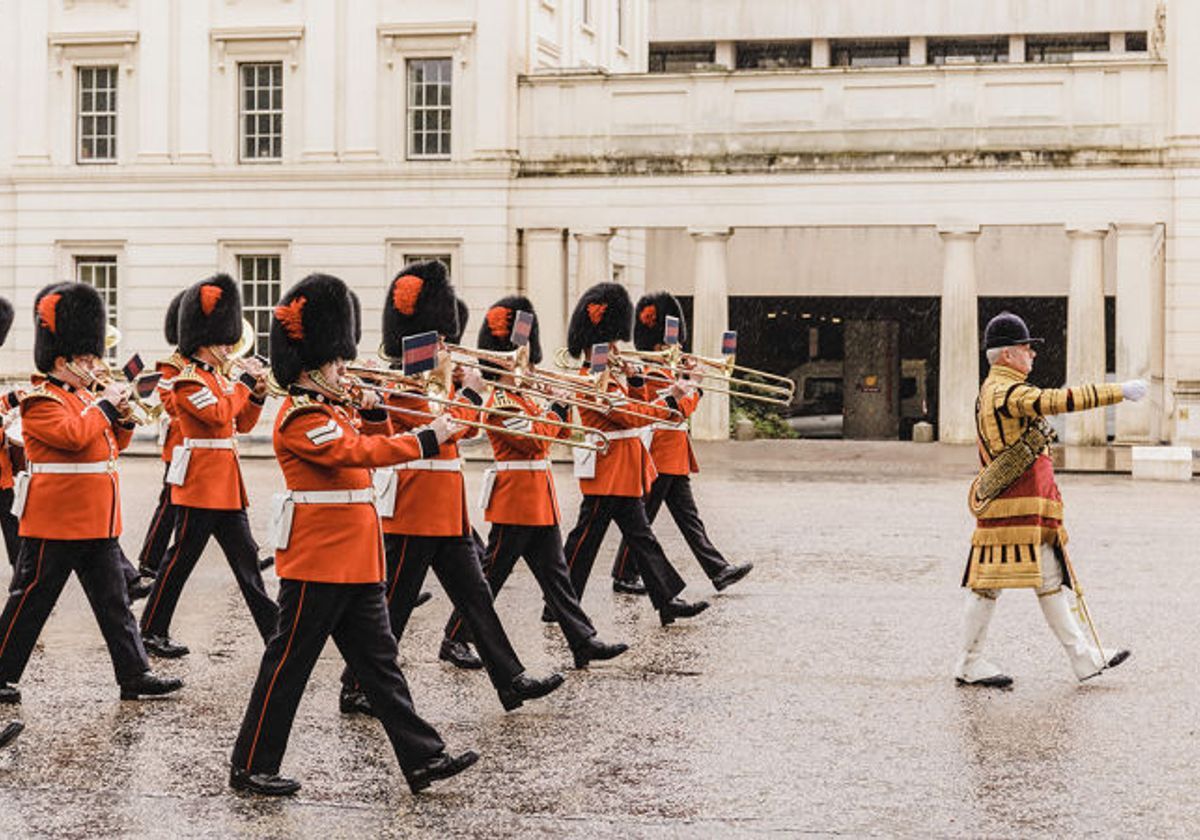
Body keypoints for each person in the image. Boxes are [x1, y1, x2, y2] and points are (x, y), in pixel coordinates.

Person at [230, 272, 476, 797]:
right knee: (288, 667)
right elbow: (358, 455)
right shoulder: (301, 417)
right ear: (312, 366)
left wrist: (378, 411)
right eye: (336, 362)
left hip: (356, 561)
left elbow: (372, 436)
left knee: (381, 667)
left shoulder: (334, 411)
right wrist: (427, 438)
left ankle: (422, 758)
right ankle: (251, 763)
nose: (345, 369)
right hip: (319, 562)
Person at [340, 261, 563, 714]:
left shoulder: (436, 381)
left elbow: (462, 429)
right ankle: (356, 686)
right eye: (439, 336)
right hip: (415, 508)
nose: (445, 344)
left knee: (477, 597)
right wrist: (471, 396)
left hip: (446, 511)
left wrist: (466, 390)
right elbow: (439, 428)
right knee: (393, 607)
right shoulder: (400, 383)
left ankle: (510, 679)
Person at [0, 283, 182, 704]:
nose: (95, 364)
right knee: (30, 601)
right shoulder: (40, 402)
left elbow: (110, 448)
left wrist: (122, 418)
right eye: (86, 358)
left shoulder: (85, 397)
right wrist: (102, 408)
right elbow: (74, 437)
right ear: (61, 360)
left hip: (96, 520)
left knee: (115, 602)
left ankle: (134, 673)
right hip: (56, 520)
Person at [438, 297, 628, 670]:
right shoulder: (502, 401)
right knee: (490, 576)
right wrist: (557, 407)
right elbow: (535, 441)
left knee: (556, 576)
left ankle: (582, 640)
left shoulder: (522, 396)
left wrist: (553, 405)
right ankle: (455, 637)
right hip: (516, 501)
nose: (522, 361)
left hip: (537, 498)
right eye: (515, 356)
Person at [954, 311, 1141, 687]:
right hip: (1015, 508)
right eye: (1026, 348)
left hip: (1015, 507)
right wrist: (1117, 391)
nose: (1032, 355)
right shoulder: (1006, 391)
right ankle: (971, 662)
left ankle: (1078, 658)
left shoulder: (993, 388)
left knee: (1023, 583)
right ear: (1007, 354)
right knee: (1004, 584)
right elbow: (1059, 401)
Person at [139, 274, 276, 658]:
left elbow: (241, 424)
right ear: (204, 342)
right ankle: (150, 630)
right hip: (201, 485)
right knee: (178, 562)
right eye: (222, 341)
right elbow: (217, 416)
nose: (229, 347)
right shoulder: (187, 382)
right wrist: (244, 384)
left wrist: (258, 396)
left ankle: (274, 632)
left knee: (247, 564)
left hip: (226, 484)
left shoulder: (219, 378)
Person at [557, 283, 709, 626]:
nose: (616, 350)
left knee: (642, 539)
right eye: (611, 344)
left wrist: (637, 382)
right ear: (597, 344)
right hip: (607, 471)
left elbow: (634, 408)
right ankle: (558, 603)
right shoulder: (594, 379)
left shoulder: (608, 378)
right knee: (583, 542)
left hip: (623, 470)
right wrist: (672, 398)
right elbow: (631, 417)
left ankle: (667, 600)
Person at [609, 292, 752, 595]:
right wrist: (696, 387)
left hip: (673, 453)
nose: (678, 346)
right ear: (659, 343)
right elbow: (677, 411)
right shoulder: (653, 371)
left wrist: (687, 378)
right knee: (643, 520)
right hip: (659, 451)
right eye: (672, 341)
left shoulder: (667, 369)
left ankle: (717, 570)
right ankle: (623, 574)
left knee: (689, 520)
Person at [134, 291, 186, 582]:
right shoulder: (172, 367)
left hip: (206, 449)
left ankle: (249, 554)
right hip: (180, 445)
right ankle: (150, 561)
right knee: (169, 504)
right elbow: (169, 402)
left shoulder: (209, 367)